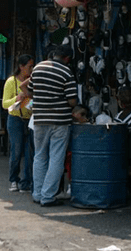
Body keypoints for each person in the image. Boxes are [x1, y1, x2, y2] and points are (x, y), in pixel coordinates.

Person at [28, 44, 78, 206]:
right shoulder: (66, 72)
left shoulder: (37, 68)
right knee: (57, 157)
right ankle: (48, 196)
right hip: (60, 121)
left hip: (40, 119)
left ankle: (37, 193)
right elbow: (71, 101)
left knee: (40, 156)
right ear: (67, 58)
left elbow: (29, 92)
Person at [2, 54, 35, 192]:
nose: (32, 69)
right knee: (16, 151)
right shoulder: (11, 82)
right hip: (15, 120)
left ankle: (26, 182)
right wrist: (17, 98)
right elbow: (5, 104)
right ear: (21, 67)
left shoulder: (32, 81)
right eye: (30, 66)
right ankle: (14, 179)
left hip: (29, 120)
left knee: (29, 153)